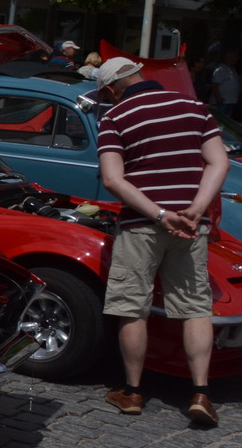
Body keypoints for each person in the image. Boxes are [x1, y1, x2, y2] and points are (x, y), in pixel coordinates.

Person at [93, 57, 230, 425]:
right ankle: (201, 393)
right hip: (190, 224)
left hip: (141, 224)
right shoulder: (194, 106)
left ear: (110, 89)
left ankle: (133, 393)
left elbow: (112, 179)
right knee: (195, 307)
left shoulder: (115, 117)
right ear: (141, 75)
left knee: (131, 306)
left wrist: (158, 214)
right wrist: (196, 209)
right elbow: (219, 163)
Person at [209, 50, 240, 118]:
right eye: (235, 57)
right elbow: (214, 84)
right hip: (222, 102)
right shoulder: (221, 69)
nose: (237, 59)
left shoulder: (232, 69)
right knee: (219, 119)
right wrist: (218, 97)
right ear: (229, 58)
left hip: (230, 101)